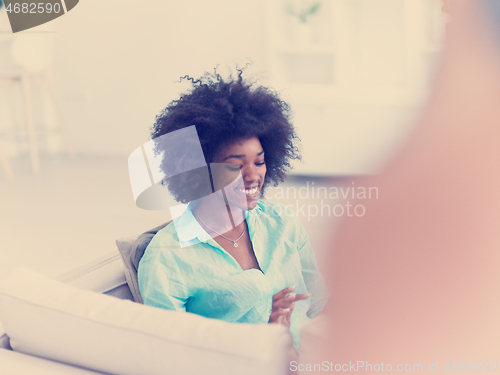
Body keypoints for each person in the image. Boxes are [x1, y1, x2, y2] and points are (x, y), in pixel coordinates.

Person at [137, 70, 329, 350]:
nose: (253, 176)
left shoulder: (281, 222)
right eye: (236, 166)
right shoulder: (167, 258)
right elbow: (171, 356)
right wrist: (266, 342)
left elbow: (321, 305)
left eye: (259, 162)